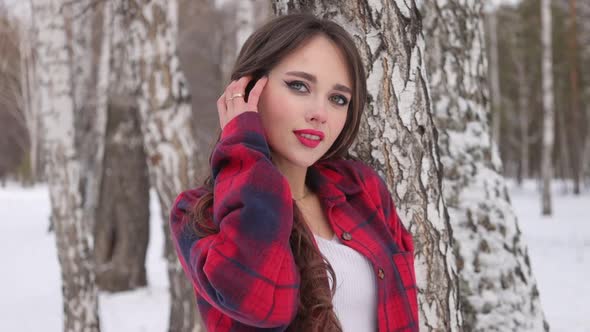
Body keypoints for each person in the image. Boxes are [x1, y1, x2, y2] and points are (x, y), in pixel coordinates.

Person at [169, 13, 418, 332]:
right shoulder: (198, 214)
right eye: (299, 86)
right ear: (248, 89)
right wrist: (243, 145)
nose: (320, 113)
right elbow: (261, 303)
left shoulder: (362, 190)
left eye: (338, 99)